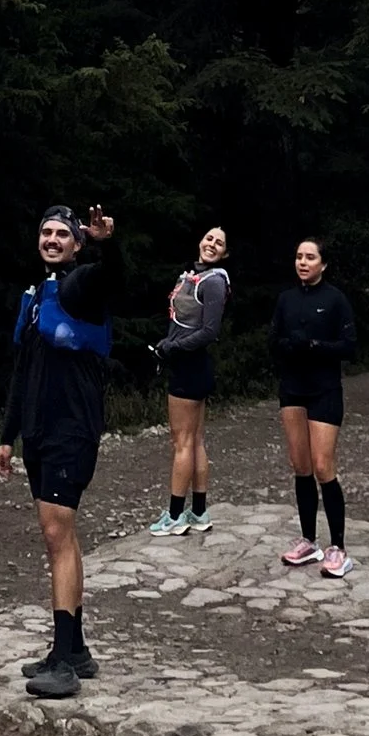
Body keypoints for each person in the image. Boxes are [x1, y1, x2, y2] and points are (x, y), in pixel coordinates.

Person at [0, 201, 118, 700]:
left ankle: (63, 662)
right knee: (56, 538)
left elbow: (116, 275)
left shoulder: (82, 284)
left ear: (77, 242)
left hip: (73, 428)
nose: (51, 240)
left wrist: (108, 243)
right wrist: (7, 436)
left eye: (62, 234)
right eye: (45, 232)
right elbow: (22, 372)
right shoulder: (35, 295)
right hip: (39, 433)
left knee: (56, 532)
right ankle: (75, 650)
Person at [271, 237, 356, 577]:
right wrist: (287, 346)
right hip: (292, 389)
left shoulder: (335, 299)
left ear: (323, 264)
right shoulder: (286, 299)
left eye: (310, 257)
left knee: (323, 465)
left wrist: (316, 345)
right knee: (301, 465)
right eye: (298, 256)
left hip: (324, 389)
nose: (303, 263)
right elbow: (272, 339)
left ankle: (338, 547)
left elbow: (350, 346)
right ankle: (309, 540)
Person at [151, 223, 230, 538]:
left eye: (219, 242)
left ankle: (174, 515)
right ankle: (198, 512)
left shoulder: (214, 282)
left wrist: (172, 348)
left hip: (190, 367)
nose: (212, 244)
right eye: (209, 237)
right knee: (194, 440)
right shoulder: (191, 275)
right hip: (186, 364)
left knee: (182, 442)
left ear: (226, 252)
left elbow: (209, 332)